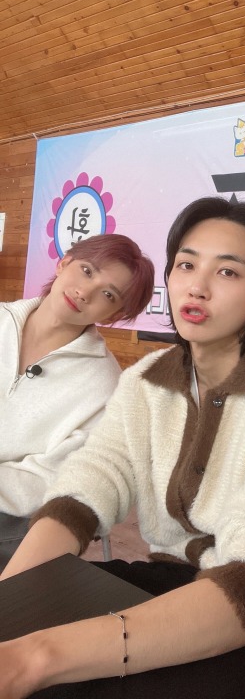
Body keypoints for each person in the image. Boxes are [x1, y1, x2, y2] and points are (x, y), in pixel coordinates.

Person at [0, 197, 245, 699]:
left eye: (227, 272)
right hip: (156, 581)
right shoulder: (144, 380)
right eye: (186, 265)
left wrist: (38, 658)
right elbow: (90, 482)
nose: (197, 286)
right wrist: (9, 602)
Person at [0, 233, 155, 568]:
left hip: (14, 517)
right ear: (64, 263)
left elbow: (55, 477)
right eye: (86, 271)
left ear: (113, 315)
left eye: (108, 294)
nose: (85, 292)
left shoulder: (104, 384)